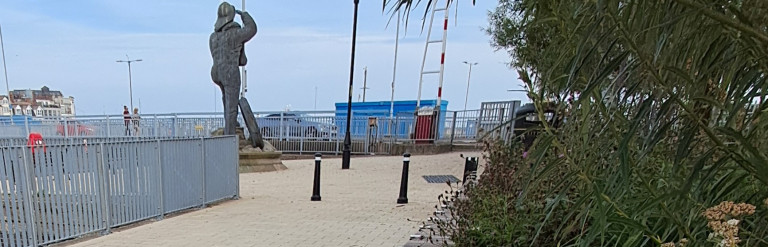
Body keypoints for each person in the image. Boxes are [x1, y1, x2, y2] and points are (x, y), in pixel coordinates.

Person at [209, 1, 257, 135]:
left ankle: (230, 122)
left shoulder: (213, 37)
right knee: (231, 104)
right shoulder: (235, 34)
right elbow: (252, 29)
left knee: (226, 98)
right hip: (229, 72)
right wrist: (244, 15)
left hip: (216, 72)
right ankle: (229, 135)